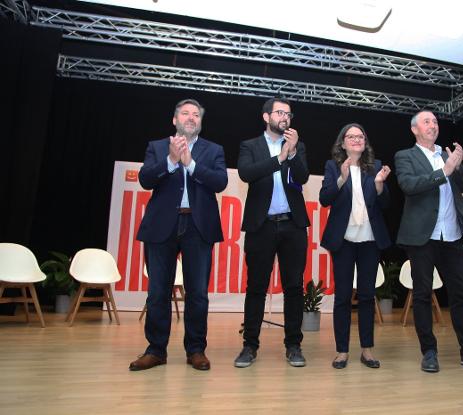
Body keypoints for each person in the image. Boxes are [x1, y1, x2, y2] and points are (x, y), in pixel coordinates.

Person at [394, 110, 463, 373]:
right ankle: (429, 351)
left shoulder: (447, 154)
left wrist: (456, 165)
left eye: (435, 121)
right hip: (422, 236)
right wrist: (445, 170)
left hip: (452, 234)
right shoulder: (405, 156)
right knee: (422, 294)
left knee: (459, 295)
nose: (432, 125)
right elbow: (409, 185)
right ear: (415, 129)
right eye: (426, 122)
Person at [130, 99, 228, 371]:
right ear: (174, 120)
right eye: (185, 113)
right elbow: (146, 179)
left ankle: (196, 350)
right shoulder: (158, 147)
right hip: (163, 225)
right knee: (158, 292)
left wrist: (192, 164)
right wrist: (172, 160)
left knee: (197, 294)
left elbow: (220, 182)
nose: (191, 118)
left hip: (198, 226)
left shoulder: (213, 150)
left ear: (200, 122)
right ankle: (156, 350)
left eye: (196, 115)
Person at [234, 97, 310, 368]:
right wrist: (278, 157)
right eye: (280, 113)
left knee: (293, 287)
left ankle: (294, 345)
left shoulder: (297, 146)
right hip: (261, 225)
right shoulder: (250, 146)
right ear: (266, 117)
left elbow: (301, 177)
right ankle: (249, 346)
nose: (285, 118)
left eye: (288, 114)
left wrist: (291, 153)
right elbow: (246, 173)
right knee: (256, 287)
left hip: (293, 225)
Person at [319, 123, 392, 369]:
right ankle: (341, 351)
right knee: (342, 297)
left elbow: (386, 204)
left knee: (367, 296)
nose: (356, 140)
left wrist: (380, 185)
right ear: (343, 143)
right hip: (344, 240)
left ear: (365, 141)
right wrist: (342, 177)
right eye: (351, 137)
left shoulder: (377, 166)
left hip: (370, 240)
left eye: (360, 136)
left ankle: (367, 350)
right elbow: (325, 198)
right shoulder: (333, 166)